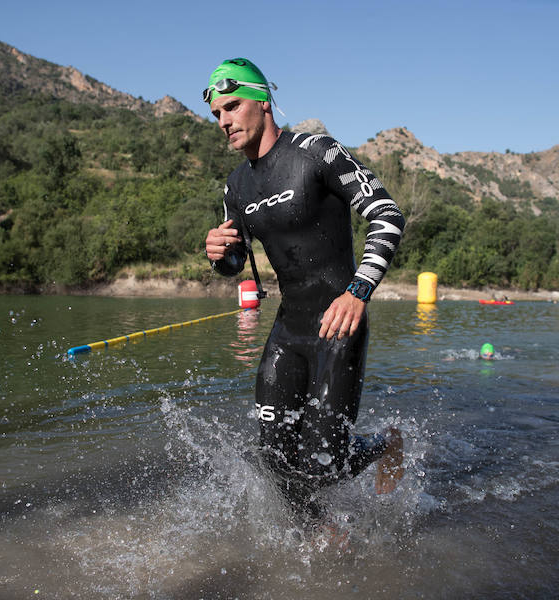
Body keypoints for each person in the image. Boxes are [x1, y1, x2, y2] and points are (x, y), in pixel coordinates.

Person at [202, 58, 406, 523]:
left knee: (325, 464)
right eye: (216, 114)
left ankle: (384, 443)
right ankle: (322, 532)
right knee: (274, 461)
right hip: (287, 331)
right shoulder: (235, 185)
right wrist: (220, 255)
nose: (224, 121)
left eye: (232, 107)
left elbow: (388, 215)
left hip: (339, 322)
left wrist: (357, 291)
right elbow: (237, 264)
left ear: (263, 102)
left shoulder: (317, 152)